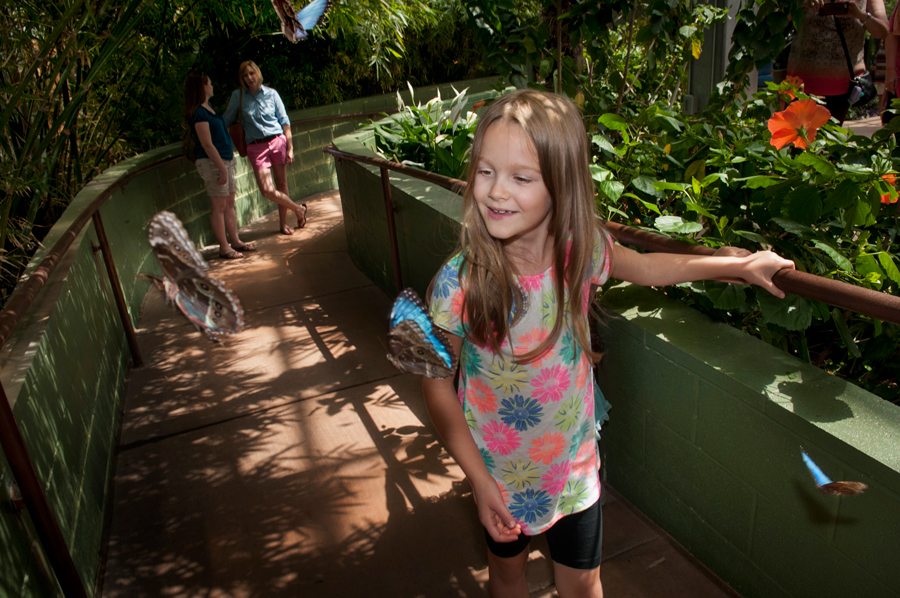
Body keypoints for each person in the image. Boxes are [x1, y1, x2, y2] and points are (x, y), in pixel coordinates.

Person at [421, 90, 795, 597]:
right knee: (508, 576)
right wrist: (480, 483)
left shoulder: (580, 249)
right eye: (485, 171)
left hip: (574, 467)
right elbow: (438, 384)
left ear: (561, 185)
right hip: (499, 474)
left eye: (521, 177)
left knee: (584, 583)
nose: (495, 192)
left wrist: (736, 266)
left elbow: (648, 267)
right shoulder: (458, 283)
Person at [224, 60, 309, 236]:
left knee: (282, 183)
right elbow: (226, 120)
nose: (249, 78)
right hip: (255, 147)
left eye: (251, 73)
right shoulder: (237, 96)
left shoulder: (272, 94)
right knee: (267, 190)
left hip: (277, 142)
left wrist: (290, 147)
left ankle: (283, 224)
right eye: (245, 75)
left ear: (258, 73)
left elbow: (285, 122)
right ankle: (298, 209)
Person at [184, 71, 255, 259]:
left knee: (229, 203)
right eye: (209, 83)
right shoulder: (199, 113)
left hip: (225, 159)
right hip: (213, 163)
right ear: (202, 87)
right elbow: (207, 144)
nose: (212, 86)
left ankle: (235, 241)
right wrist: (221, 167)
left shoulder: (209, 109)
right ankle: (224, 247)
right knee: (219, 205)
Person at [786, 0, 888, 124]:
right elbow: (776, 22)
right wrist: (801, 5)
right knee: (799, 138)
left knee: (832, 138)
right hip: (801, 81)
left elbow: (882, 31)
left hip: (844, 84)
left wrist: (860, 14)